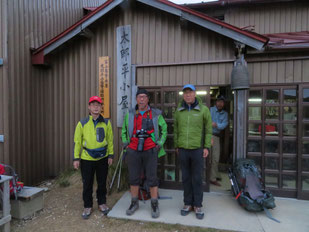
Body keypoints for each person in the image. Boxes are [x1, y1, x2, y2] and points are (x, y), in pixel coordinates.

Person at [121, 89, 167, 219]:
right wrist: (126, 143)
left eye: (144, 97)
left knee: (152, 178)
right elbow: (124, 130)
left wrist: (160, 143)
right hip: (133, 150)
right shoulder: (130, 114)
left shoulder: (155, 114)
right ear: (136, 99)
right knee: (134, 178)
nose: (142, 99)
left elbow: (164, 129)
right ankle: (134, 203)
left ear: (148, 99)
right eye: (139, 97)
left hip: (150, 150)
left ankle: (154, 204)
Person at [174, 84, 212, 220]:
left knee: (196, 178)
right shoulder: (179, 111)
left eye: (190, 92)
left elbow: (208, 129)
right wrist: (176, 146)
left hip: (197, 149)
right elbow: (176, 129)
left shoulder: (203, 110)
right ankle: (187, 203)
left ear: (195, 94)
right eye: (185, 93)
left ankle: (197, 205)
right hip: (183, 149)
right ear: (183, 95)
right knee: (185, 178)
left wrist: (206, 146)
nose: (188, 95)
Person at [73, 96, 114, 219]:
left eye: (98, 105)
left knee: (102, 182)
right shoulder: (82, 123)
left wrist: (111, 155)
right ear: (89, 107)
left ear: (101, 107)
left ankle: (102, 203)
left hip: (103, 157)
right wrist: (76, 158)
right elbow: (77, 141)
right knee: (87, 183)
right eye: (93, 105)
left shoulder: (106, 122)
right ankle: (87, 205)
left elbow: (110, 140)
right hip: (87, 158)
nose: (96, 107)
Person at [210, 95, 228, 187]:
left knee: (215, 158)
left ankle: (213, 177)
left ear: (224, 104)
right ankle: (208, 177)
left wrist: (216, 124)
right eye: (219, 101)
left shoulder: (225, 114)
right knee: (205, 157)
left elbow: (224, 125)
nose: (220, 103)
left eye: (222, 102)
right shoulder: (210, 110)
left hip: (216, 137)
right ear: (216, 102)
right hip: (207, 135)